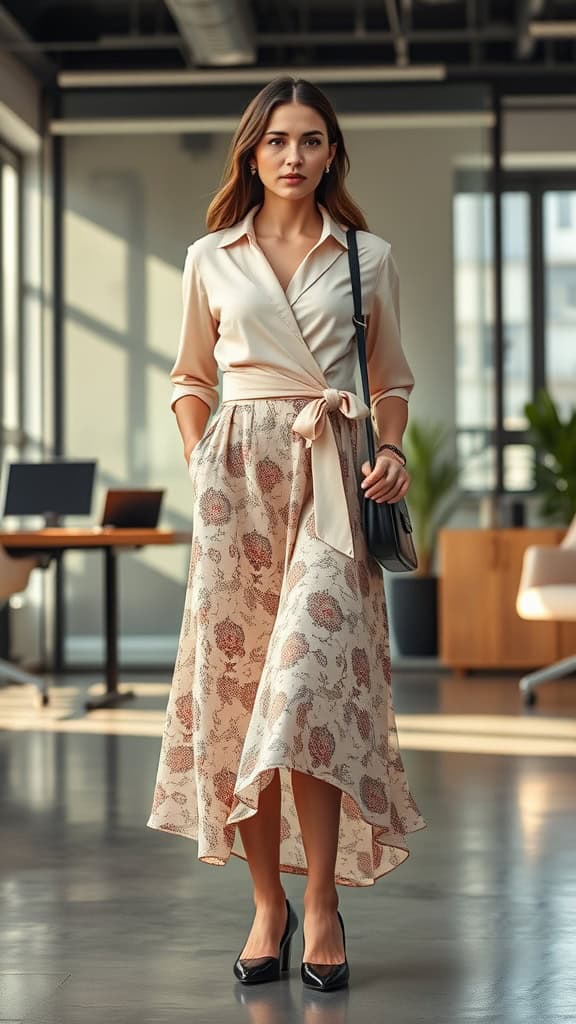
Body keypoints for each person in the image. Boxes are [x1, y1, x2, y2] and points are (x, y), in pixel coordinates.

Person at [147, 76, 427, 992]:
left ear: (332, 152)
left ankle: (321, 905)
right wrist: (202, 465)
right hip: (237, 488)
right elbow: (191, 379)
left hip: (333, 482)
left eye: (311, 140)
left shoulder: (366, 257)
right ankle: (268, 901)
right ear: (252, 153)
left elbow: (391, 379)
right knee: (240, 700)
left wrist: (389, 447)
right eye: (277, 141)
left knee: (304, 692)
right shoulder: (209, 256)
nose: (294, 156)